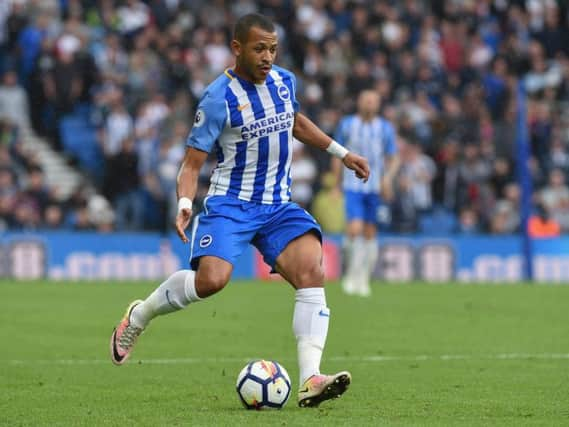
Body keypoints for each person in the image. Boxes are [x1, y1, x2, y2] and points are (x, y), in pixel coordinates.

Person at [109, 13, 370, 408]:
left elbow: (294, 122)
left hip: (277, 205)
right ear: (237, 48)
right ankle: (140, 315)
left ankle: (311, 377)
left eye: (273, 48)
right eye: (259, 48)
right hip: (231, 204)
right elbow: (192, 163)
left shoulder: (284, 82)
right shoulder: (217, 99)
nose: (267, 56)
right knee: (211, 281)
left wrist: (342, 153)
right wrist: (184, 203)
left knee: (311, 270)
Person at [332, 90, 399, 296]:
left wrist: (387, 179)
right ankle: (351, 276)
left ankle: (364, 279)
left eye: (373, 101)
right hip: (353, 186)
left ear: (378, 105)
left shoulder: (385, 128)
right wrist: (336, 184)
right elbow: (336, 153)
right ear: (359, 103)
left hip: (374, 187)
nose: (370, 104)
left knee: (370, 233)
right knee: (354, 229)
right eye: (366, 100)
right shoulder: (347, 124)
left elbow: (393, 157)